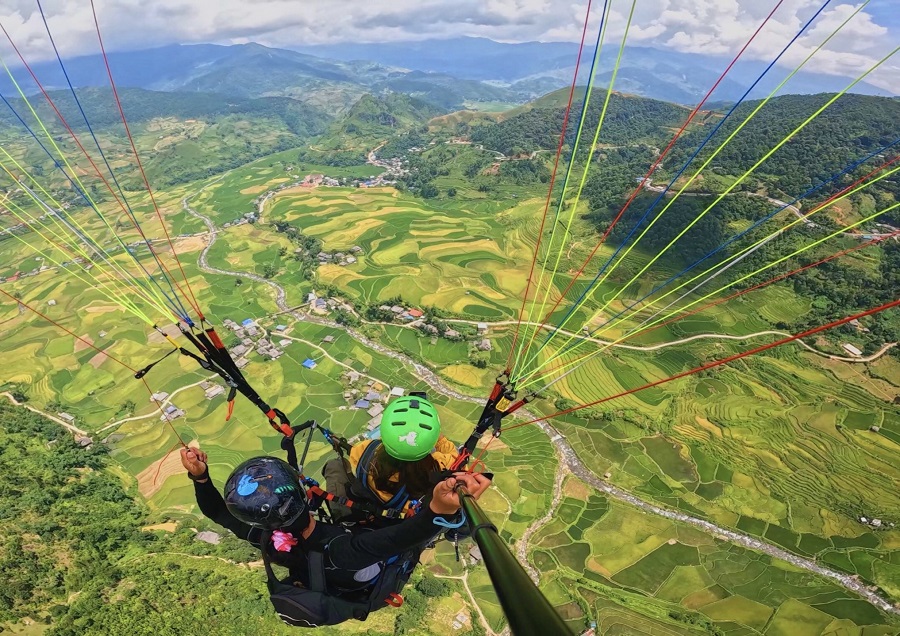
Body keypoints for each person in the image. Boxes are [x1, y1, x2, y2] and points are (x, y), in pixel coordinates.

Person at [180, 446, 489, 594]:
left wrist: (200, 477)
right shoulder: (342, 550)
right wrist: (436, 508)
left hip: (340, 562)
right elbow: (401, 537)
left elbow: (217, 512)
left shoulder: (268, 540)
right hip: (364, 566)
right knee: (406, 536)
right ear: (302, 494)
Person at [328, 395, 458, 519]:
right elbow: (455, 456)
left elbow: (356, 454)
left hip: (374, 503)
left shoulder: (365, 451)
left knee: (334, 465)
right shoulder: (439, 466)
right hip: (407, 515)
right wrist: (435, 437)